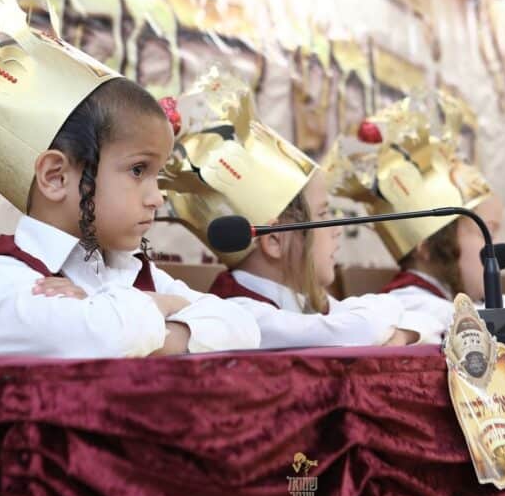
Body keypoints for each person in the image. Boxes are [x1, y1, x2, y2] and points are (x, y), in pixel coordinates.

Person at [0, 0, 260, 358]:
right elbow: (107, 339)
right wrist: (168, 312)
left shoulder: (132, 272)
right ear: (56, 176)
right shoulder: (0, 282)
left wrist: (125, 312)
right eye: (138, 171)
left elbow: (243, 328)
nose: (157, 198)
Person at [161, 70, 440, 349]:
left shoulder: (305, 301)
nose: (337, 229)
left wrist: (401, 333)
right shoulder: (241, 312)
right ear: (274, 240)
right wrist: (391, 319)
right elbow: (359, 331)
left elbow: (433, 318)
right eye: (322, 214)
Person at [325, 90, 505, 331]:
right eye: (483, 232)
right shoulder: (408, 305)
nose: (495, 246)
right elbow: (489, 323)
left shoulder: (458, 300)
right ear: (428, 245)